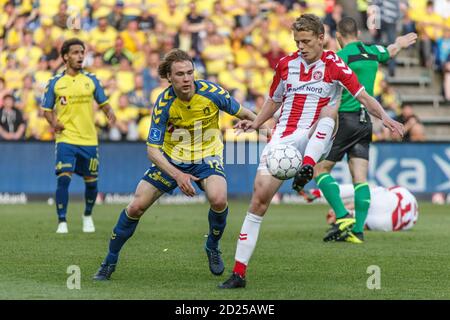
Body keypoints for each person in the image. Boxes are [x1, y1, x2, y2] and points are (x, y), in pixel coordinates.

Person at [218, 14, 404, 289]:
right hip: (284, 137)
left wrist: (386, 118)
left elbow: (363, 96)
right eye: (297, 41)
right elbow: (273, 100)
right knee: (258, 202)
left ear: (321, 38)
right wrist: (256, 123)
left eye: (306, 41)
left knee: (330, 110)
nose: (301, 47)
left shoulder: (334, 64)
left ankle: (307, 166)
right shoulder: (285, 65)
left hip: (317, 133)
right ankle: (239, 273)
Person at [93, 49, 259, 281]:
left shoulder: (212, 92)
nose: (187, 78)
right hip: (172, 159)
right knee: (135, 207)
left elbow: (244, 112)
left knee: (219, 198)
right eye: (180, 74)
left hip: (206, 157)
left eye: (190, 72)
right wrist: (179, 175)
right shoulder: (164, 104)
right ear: (169, 78)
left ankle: (212, 246)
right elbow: (152, 150)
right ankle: (109, 262)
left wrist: (260, 124)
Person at [313, 17, 417, 244]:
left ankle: (342, 218)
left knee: (319, 170)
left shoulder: (342, 56)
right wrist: (399, 42)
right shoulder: (372, 51)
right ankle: (357, 231)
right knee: (360, 178)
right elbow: (389, 50)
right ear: (358, 32)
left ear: (339, 36)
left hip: (346, 120)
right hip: (366, 122)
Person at [41, 38, 116, 234]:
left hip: (89, 140)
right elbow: (47, 110)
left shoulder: (91, 80)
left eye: (82, 52)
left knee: (91, 182)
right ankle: (62, 221)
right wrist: (54, 122)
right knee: (64, 178)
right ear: (65, 56)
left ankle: (88, 215)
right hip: (66, 138)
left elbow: (103, 101)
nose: (80, 56)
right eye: (75, 52)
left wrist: (109, 111)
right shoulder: (55, 82)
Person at [301, 184, 419, 232]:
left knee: (361, 190)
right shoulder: (394, 194)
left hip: (401, 214)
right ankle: (341, 212)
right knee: (362, 192)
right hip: (399, 221)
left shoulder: (391, 193)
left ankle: (318, 193)